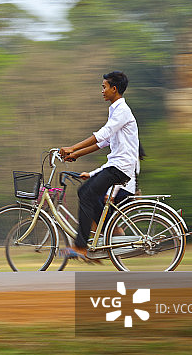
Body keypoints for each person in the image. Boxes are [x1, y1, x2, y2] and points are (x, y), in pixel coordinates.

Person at [59, 71, 139, 262]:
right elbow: (105, 142)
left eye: (104, 87)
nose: (102, 91)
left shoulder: (122, 111)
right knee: (84, 192)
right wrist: (76, 154)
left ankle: (81, 247)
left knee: (87, 194)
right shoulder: (115, 110)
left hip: (120, 167)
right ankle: (108, 232)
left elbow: (103, 134)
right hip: (116, 165)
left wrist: (73, 147)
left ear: (114, 89)